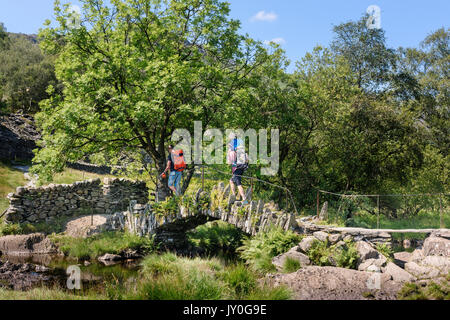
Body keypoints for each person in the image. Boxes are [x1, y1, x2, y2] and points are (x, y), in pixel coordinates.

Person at [227, 135, 249, 205]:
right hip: (241, 169)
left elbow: (230, 162)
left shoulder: (235, 152)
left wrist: (229, 152)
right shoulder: (244, 153)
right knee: (231, 181)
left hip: (237, 169)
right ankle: (234, 195)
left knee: (238, 184)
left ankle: (244, 199)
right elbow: (248, 160)